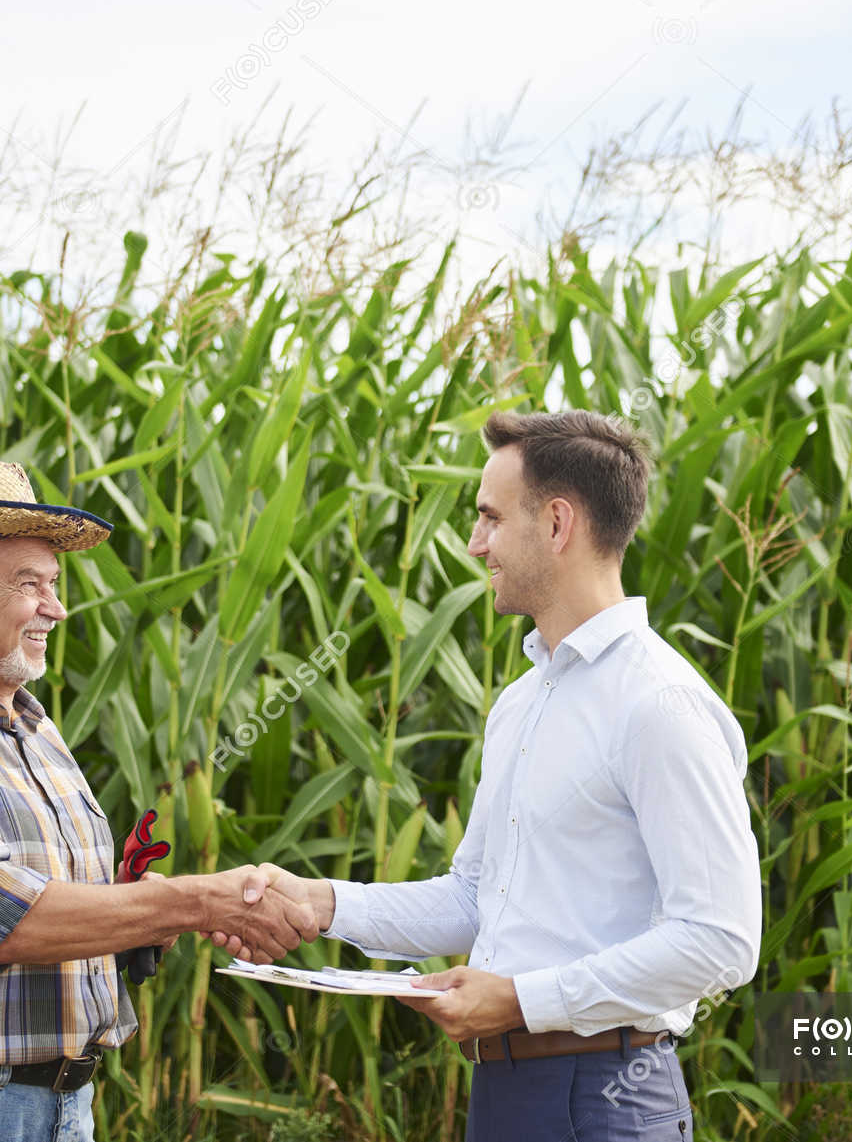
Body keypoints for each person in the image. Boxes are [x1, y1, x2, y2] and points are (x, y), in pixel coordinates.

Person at [252, 411, 762, 1141]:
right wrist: (321, 902)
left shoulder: (659, 704)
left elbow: (721, 939)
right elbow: (473, 898)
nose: (474, 542)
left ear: (557, 524)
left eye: (490, 517)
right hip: (504, 1091)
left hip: (606, 1097)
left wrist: (523, 999)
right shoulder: (522, 702)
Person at [0, 459, 318, 1142]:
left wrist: (142, 911)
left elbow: (57, 897)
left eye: (54, 584)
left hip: (60, 1109)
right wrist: (198, 901)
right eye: (29, 585)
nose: (56, 607)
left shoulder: (34, 727)